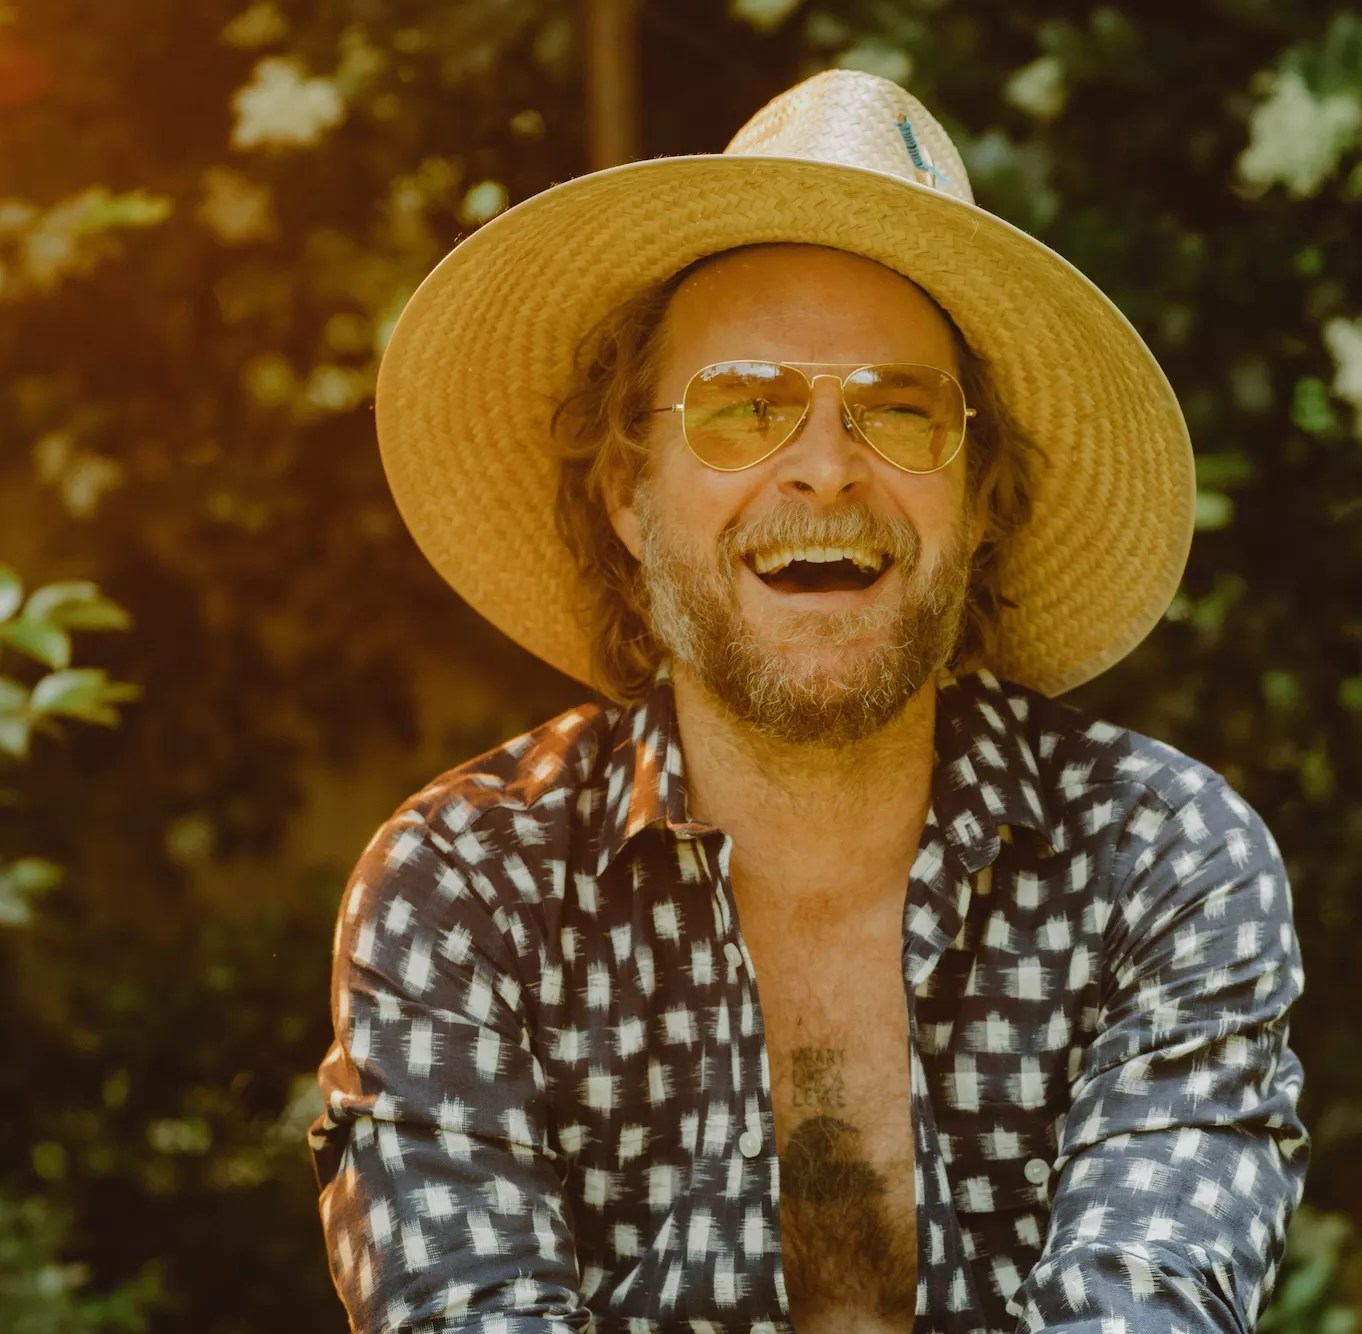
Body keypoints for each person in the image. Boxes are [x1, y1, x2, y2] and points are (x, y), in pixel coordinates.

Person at [308, 68, 1307, 1334]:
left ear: (981, 496)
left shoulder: (1161, 858)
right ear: (627, 490)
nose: (825, 468)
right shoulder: (465, 887)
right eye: (743, 408)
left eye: (900, 411)